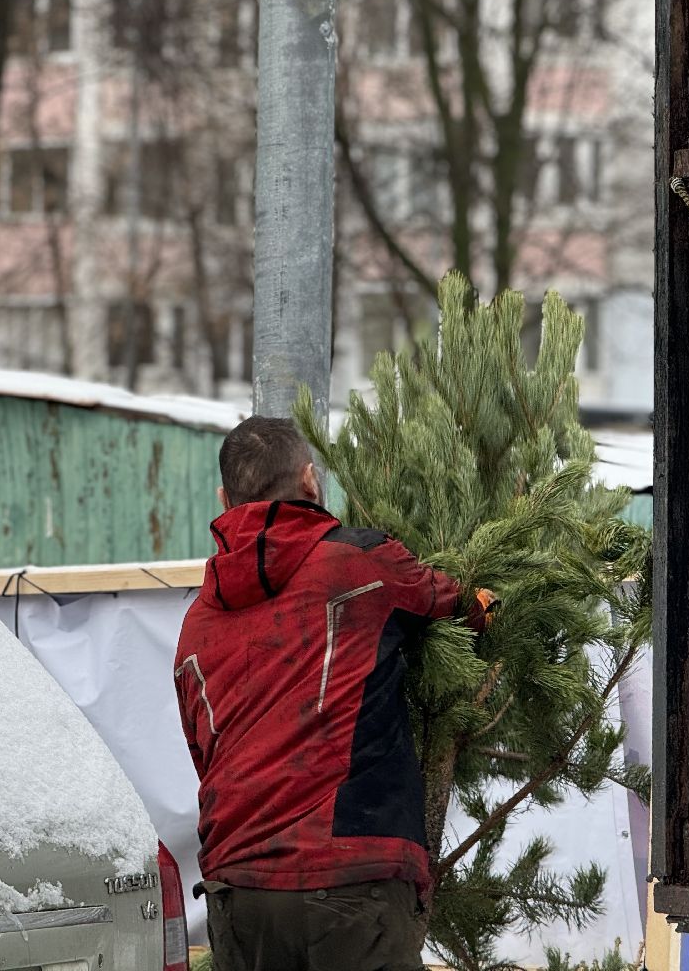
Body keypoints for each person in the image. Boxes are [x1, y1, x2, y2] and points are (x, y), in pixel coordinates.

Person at [173, 416, 494, 971]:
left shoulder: (196, 625)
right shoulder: (357, 564)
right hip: (352, 883)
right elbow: (453, 604)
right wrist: (486, 606)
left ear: (225, 499)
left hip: (239, 897)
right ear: (310, 481)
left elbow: (205, 756)